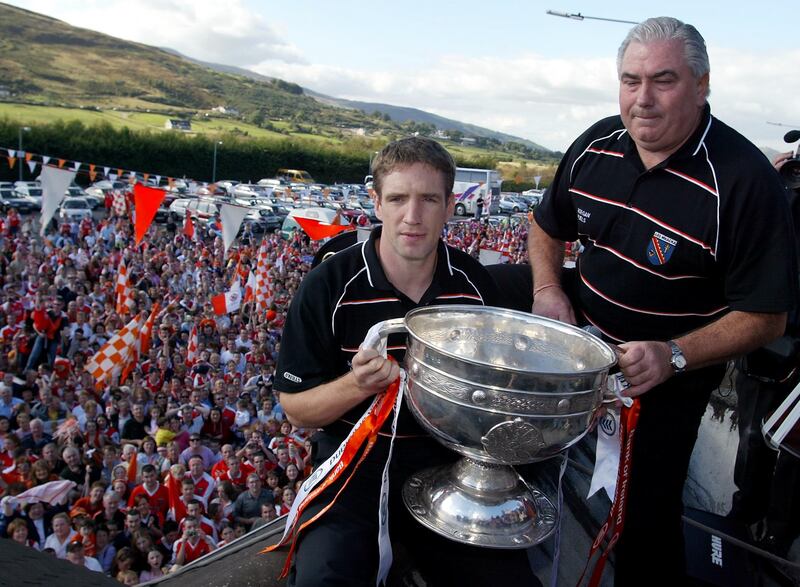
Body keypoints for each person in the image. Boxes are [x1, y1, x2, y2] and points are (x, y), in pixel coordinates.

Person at [528, 16, 797, 585]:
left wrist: (672, 354)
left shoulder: (744, 182)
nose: (642, 99)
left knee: (647, 523)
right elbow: (544, 226)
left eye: (663, 80)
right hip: (579, 335)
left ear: (702, 86)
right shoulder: (596, 144)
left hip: (670, 374)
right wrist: (548, 290)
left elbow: (768, 315)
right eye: (630, 81)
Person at [276, 137, 540, 586]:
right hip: (352, 468)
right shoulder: (329, 284)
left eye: (428, 199)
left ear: (450, 206)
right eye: (398, 198)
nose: (412, 216)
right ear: (376, 203)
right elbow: (296, 409)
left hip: (449, 466)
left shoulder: (474, 287)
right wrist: (357, 385)